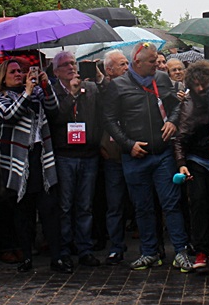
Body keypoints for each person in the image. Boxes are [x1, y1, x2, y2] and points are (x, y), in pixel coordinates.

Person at [102, 43, 193, 272]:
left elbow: (175, 107)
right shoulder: (118, 86)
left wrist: (172, 121)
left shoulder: (161, 80)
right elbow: (109, 120)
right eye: (152, 61)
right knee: (142, 207)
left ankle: (180, 251)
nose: (156, 65)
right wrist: (128, 144)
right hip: (134, 156)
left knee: (171, 203)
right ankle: (149, 252)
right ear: (137, 63)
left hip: (162, 153)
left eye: (156, 60)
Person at [0, 57, 67, 273]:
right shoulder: (1, 98)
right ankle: (26, 257)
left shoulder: (36, 94)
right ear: (3, 78)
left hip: (40, 158)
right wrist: (26, 93)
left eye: (21, 71)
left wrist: (46, 86)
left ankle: (57, 257)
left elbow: (55, 110)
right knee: (23, 213)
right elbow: (8, 115)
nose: (19, 74)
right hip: (19, 161)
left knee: (49, 211)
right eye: (13, 72)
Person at [50, 51, 102, 268]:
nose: (71, 67)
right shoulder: (52, 92)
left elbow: (102, 111)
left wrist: (99, 78)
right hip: (65, 155)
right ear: (55, 71)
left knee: (85, 205)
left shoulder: (89, 88)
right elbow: (56, 118)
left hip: (88, 154)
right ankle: (63, 249)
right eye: (65, 65)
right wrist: (70, 95)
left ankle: (85, 249)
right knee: (64, 206)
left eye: (73, 63)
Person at [172, 60, 209, 271]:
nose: (200, 89)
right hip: (196, 159)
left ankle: (207, 247)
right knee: (198, 203)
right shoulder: (188, 103)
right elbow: (180, 137)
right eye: (196, 84)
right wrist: (182, 163)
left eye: (204, 84)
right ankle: (200, 249)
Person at [98, 49, 130, 265]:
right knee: (115, 203)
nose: (126, 68)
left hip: (134, 151)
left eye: (127, 63)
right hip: (112, 155)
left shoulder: (136, 85)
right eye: (121, 64)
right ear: (109, 70)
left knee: (142, 202)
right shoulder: (101, 90)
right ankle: (116, 247)